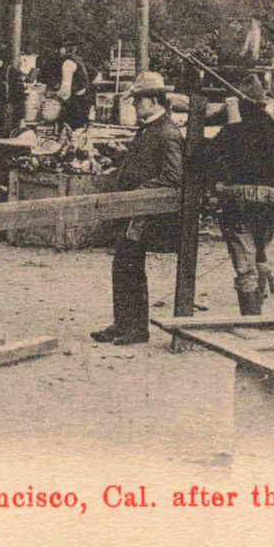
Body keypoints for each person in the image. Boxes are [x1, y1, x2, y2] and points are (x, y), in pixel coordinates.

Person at [91, 71, 184, 346]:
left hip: (146, 214)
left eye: (138, 101)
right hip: (134, 210)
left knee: (129, 263)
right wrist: (118, 154)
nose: (133, 105)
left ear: (154, 102)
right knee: (123, 264)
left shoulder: (167, 133)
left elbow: (172, 176)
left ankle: (136, 329)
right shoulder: (151, 129)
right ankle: (123, 323)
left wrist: (137, 193)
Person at [202, 74, 274, 315]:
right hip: (272, 202)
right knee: (260, 253)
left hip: (240, 201)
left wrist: (216, 185)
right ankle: (259, 310)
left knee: (245, 264)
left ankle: (251, 317)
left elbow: (204, 159)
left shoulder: (232, 131)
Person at [52, 38, 93, 132]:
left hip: (75, 105)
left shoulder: (67, 63)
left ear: (67, 49)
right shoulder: (78, 59)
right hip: (84, 101)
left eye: (60, 48)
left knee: (68, 133)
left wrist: (54, 95)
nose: (57, 51)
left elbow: (65, 92)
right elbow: (93, 72)